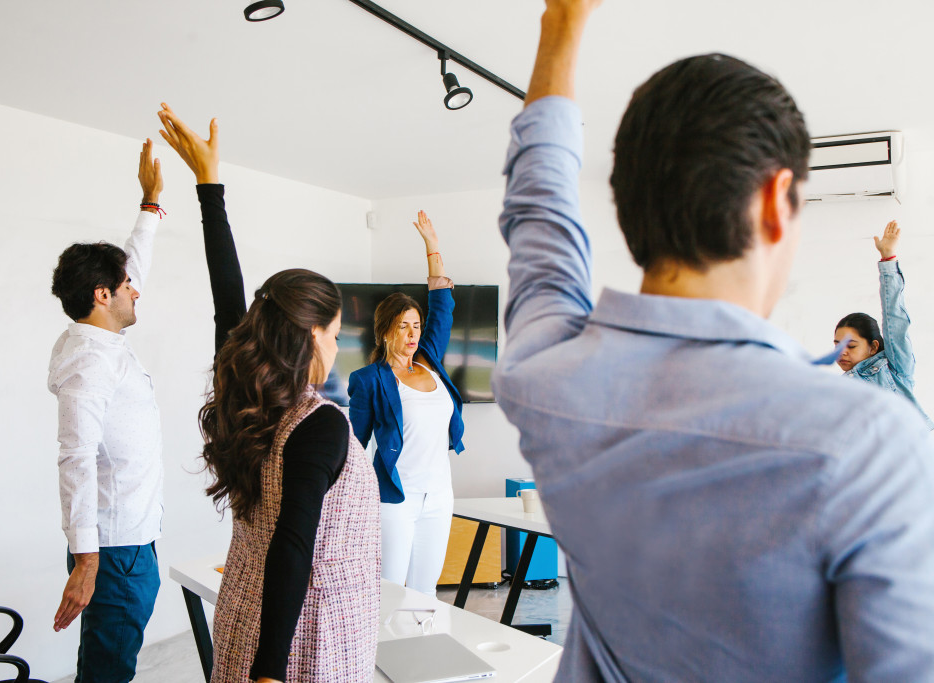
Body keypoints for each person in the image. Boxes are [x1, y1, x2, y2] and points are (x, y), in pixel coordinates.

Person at [493, 1, 934, 681]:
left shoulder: (545, 376)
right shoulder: (870, 445)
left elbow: (537, 213)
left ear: (629, 204)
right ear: (772, 200)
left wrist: (561, 22)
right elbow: (538, 208)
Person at [156, 103, 380, 683]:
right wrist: (270, 673)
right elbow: (293, 543)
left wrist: (210, 187)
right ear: (310, 335)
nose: (335, 349)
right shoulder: (319, 422)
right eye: (333, 335)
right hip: (309, 640)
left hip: (241, 616)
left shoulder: (247, 395)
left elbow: (227, 295)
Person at [47, 139, 165, 682]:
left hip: (132, 544)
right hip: (115, 554)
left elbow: (132, 266)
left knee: (109, 663)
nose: (135, 292)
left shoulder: (100, 339)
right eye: (124, 287)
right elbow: (75, 458)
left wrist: (150, 204)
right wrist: (87, 561)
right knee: (107, 672)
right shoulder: (90, 364)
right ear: (101, 294)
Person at [347, 214, 464, 597]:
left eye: (416, 325)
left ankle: (421, 654)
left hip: (439, 495)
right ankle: (379, 658)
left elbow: (442, 307)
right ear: (384, 332)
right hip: (396, 498)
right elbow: (355, 447)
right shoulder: (370, 380)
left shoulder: (428, 360)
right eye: (403, 326)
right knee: (391, 592)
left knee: (425, 590)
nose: (413, 333)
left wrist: (432, 243)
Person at [834, 220, 933, 428]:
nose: (841, 352)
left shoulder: (894, 368)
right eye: (837, 345)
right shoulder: (839, 390)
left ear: (873, 347)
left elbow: (895, 319)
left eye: (850, 346)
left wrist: (888, 259)